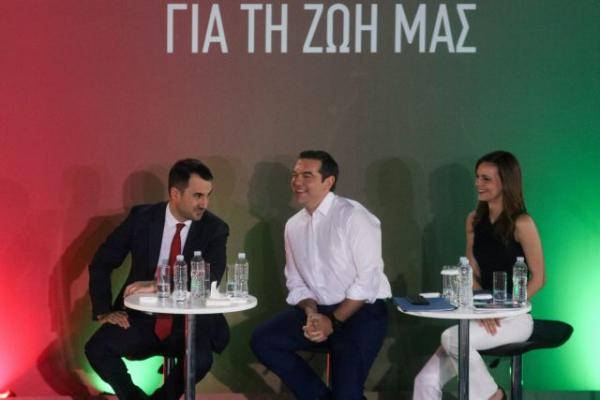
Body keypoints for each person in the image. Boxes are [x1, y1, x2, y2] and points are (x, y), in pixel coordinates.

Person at [250, 150, 392, 400]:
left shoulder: (353, 215)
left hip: (360, 313)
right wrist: (312, 313)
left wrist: (333, 322)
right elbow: (295, 281)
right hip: (319, 311)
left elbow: (367, 280)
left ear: (329, 181)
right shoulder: (293, 225)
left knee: (347, 395)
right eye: (294, 175)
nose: (297, 182)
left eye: (307, 175)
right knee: (264, 340)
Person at [85, 159, 229, 400]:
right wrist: (104, 311)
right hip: (142, 318)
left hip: (188, 322)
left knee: (200, 360)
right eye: (197, 196)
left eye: (208, 195)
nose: (204, 203)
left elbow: (209, 279)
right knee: (97, 349)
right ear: (175, 194)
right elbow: (102, 261)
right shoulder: (142, 218)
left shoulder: (214, 228)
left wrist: (158, 285)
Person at [413, 151, 546, 400]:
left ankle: (493, 397)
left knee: (452, 337)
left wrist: (502, 310)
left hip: (514, 319)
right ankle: (492, 395)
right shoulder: (473, 220)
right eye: (477, 177)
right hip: (480, 314)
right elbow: (471, 272)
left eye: (486, 178)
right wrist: (483, 308)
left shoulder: (522, 223)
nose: (478, 183)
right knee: (424, 381)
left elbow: (539, 278)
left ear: (505, 182)